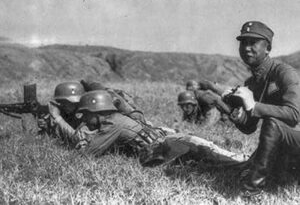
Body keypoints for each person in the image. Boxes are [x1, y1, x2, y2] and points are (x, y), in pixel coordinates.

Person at [220, 21, 300, 195]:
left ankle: (251, 191)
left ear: (268, 48)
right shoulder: (252, 83)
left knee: (273, 123)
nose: (246, 48)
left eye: (253, 43)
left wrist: (254, 105)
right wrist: (233, 111)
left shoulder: (284, 73)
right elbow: (249, 128)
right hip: (289, 149)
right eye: (243, 43)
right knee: (239, 168)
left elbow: (294, 114)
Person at [74, 90, 248, 167]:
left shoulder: (113, 124)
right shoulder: (116, 119)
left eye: (86, 115)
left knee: (213, 152)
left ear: (96, 111)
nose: (86, 119)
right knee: (205, 153)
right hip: (164, 141)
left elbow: (87, 154)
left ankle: (246, 160)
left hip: (166, 144)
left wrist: (60, 120)